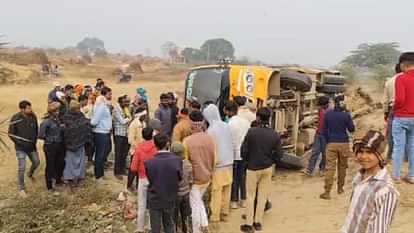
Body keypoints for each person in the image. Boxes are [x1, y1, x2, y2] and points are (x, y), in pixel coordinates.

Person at [341, 130, 399, 233]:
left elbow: (379, 229)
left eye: (369, 152)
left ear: (381, 155)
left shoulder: (385, 190)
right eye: (360, 152)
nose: (363, 156)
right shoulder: (359, 177)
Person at [240, 107, 283, 233]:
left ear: (258, 117)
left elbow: (244, 151)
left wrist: (247, 160)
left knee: (250, 196)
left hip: (252, 167)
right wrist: (271, 161)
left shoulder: (251, 132)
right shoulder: (274, 134)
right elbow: (279, 154)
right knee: (262, 196)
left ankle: (248, 224)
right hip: (267, 168)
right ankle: (257, 222)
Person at [183, 111, 216, 233]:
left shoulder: (187, 141)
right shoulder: (210, 139)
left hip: (195, 180)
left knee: (195, 206)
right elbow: (215, 158)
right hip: (207, 177)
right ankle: (204, 224)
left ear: (191, 124)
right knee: (199, 201)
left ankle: (197, 229)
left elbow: (185, 164)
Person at [203, 104, 234, 228]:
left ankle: (215, 217)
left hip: (219, 164)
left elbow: (212, 150)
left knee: (217, 191)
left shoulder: (211, 131)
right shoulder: (226, 125)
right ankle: (225, 213)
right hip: (229, 162)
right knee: (227, 189)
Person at [145, 134, 182, 233]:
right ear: (168, 144)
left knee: (155, 228)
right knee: (169, 225)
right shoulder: (177, 160)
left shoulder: (149, 163)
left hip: (155, 199)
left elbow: (150, 179)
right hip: (170, 198)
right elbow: (179, 178)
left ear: (155, 145)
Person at [320, 95, 355, 200]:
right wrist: (348, 116)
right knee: (342, 167)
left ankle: (327, 192)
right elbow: (352, 129)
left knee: (329, 168)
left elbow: (324, 131)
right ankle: (340, 188)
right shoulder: (346, 115)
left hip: (331, 143)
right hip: (344, 143)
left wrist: (328, 140)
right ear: (342, 103)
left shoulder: (327, 115)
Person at [8, 100, 40, 197]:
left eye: (30, 107)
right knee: (22, 167)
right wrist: (20, 143)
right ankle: (21, 188)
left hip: (31, 147)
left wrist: (34, 141)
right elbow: (11, 134)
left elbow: (36, 130)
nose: (31, 109)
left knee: (36, 162)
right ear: (22, 109)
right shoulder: (15, 118)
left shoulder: (33, 116)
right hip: (20, 148)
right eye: (28, 108)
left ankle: (30, 173)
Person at [130, 127, 158, 233]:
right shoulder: (156, 147)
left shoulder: (139, 148)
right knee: (152, 205)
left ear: (142, 135)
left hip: (142, 178)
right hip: (154, 179)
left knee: (141, 205)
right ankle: (151, 227)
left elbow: (133, 167)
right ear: (152, 135)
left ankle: (140, 228)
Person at [392, 52, 414, 184]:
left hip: (401, 117)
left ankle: (396, 175)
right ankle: (412, 176)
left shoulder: (401, 78)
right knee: (413, 147)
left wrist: (394, 107)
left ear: (403, 64)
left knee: (399, 147)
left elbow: (400, 99)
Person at [224, 101, 250, 209]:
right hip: (244, 154)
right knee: (243, 177)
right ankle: (243, 199)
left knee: (234, 178)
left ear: (229, 111)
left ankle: (234, 201)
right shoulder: (245, 122)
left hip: (234, 154)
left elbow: (228, 140)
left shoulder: (229, 124)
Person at [62, 101, 91, 187]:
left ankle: (79, 178)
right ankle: (70, 178)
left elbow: (85, 125)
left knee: (80, 162)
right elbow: (66, 130)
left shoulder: (81, 116)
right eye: (78, 108)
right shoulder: (66, 117)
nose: (79, 110)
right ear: (74, 109)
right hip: (70, 144)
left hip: (80, 143)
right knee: (70, 162)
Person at [38, 102, 65, 194]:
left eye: (58, 110)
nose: (57, 112)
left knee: (60, 163)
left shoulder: (57, 120)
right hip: (50, 145)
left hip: (59, 144)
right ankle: (49, 185)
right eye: (55, 111)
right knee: (50, 165)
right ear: (51, 112)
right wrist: (50, 138)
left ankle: (58, 179)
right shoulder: (46, 122)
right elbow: (40, 135)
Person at [304, 96, 330, 176]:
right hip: (318, 134)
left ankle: (322, 169)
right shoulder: (320, 110)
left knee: (324, 153)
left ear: (326, 105)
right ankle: (309, 169)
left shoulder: (330, 112)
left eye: (322, 105)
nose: (320, 106)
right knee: (315, 152)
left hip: (326, 135)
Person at [91, 87, 113, 182]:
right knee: (100, 155)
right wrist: (101, 126)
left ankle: (100, 173)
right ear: (105, 94)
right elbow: (94, 121)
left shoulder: (104, 104)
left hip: (104, 132)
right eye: (109, 94)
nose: (111, 96)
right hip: (101, 132)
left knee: (104, 152)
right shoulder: (101, 105)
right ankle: (98, 176)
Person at [171, 142, 193, 233]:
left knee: (174, 217)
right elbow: (191, 180)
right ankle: (186, 230)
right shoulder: (188, 164)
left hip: (176, 195)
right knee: (186, 216)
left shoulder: (172, 165)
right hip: (186, 194)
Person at [383, 64, 402, 160]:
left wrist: (385, 112)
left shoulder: (389, 81)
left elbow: (385, 100)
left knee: (391, 133)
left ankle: (390, 155)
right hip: (408, 109)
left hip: (392, 109)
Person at [127, 107, 148, 191]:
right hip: (135, 151)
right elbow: (130, 139)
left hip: (142, 151)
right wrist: (138, 148)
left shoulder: (144, 123)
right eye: (144, 115)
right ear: (140, 115)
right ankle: (129, 185)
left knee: (140, 169)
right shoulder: (134, 124)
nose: (146, 116)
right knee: (133, 169)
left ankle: (137, 186)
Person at [113, 95, 132, 180]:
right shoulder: (116, 110)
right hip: (119, 134)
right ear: (120, 102)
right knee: (118, 154)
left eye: (128, 102)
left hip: (126, 134)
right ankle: (117, 172)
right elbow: (122, 121)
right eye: (125, 102)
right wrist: (129, 118)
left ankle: (122, 169)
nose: (127, 103)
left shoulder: (126, 109)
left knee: (124, 153)